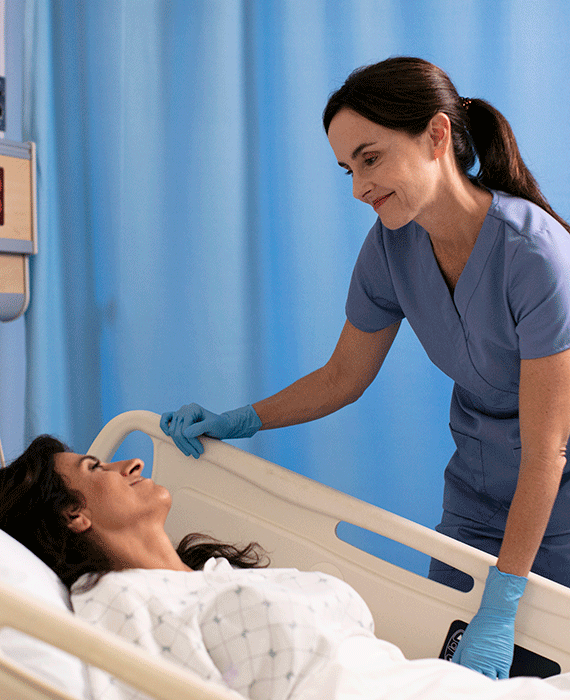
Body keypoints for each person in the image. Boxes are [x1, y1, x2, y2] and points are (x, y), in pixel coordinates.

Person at [160, 56, 570, 681]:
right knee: (445, 678)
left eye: (370, 158)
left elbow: (545, 454)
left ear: (437, 136)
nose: (358, 187)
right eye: (348, 169)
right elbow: (342, 378)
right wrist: (241, 419)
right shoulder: (392, 245)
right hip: (476, 498)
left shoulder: (533, 254)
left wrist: (504, 600)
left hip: (559, 501)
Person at [2, 437, 570, 700]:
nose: (130, 461)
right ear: (72, 514)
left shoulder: (216, 576)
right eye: (95, 466)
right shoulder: (116, 605)